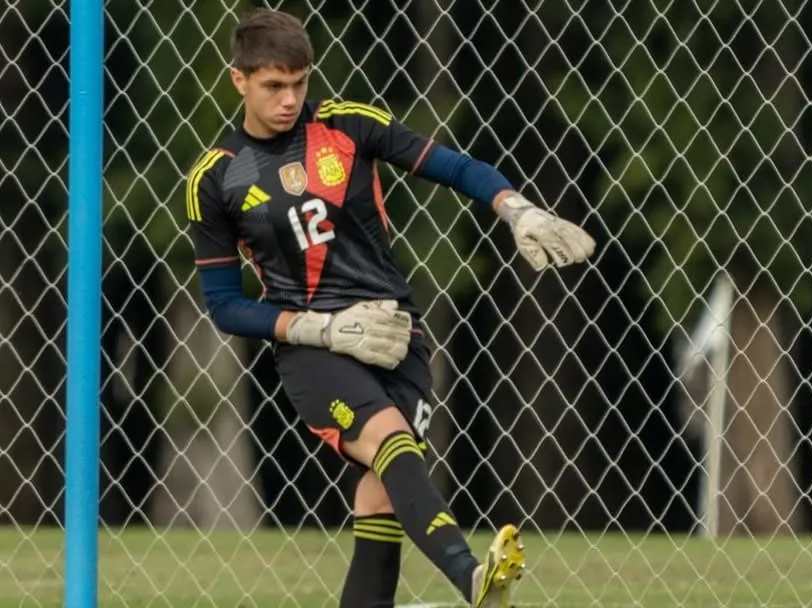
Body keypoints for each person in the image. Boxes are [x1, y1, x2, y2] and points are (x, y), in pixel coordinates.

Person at [183, 7, 595, 608]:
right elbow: (222, 306)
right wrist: (321, 329)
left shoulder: (349, 125)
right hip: (313, 349)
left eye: (300, 83)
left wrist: (515, 209)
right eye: (274, 86)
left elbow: (452, 166)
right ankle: (472, 577)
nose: (290, 99)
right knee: (390, 439)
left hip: (396, 335)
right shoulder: (216, 178)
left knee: (380, 503)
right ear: (238, 80)